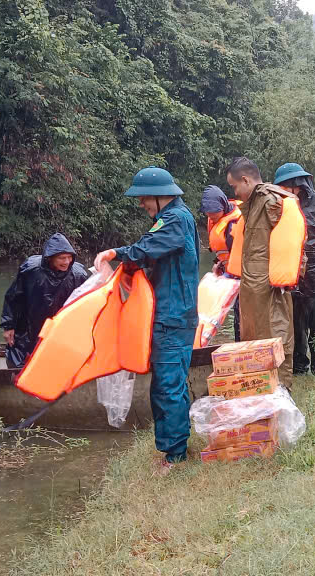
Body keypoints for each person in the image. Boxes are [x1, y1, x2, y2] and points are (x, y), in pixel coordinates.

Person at [95, 166, 199, 472]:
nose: (141, 204)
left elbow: (145, 249)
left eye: (143, 198)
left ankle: (176, 456)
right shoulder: (170, 219)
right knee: (167, 385)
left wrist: (114, 254)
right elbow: (149, 252)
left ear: (159, 195)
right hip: (170, 314)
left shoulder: (175, 219)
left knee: (168, 386)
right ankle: (173, 449)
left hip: (173, 316)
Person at [225, 157, 296, 382]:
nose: (235, 193)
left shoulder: (271, 201)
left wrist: (283, 279)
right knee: (254, 334)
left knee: (275, 332)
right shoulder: (254, 203)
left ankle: (280, 387)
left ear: (245, 180)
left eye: (234, 186)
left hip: (268, 284)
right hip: (253, 283)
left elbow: (291, 242)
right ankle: (259, 384)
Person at [273, 163, 315, 375]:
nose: (281, 191)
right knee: (295, 326)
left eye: (284, 187)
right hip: (293, 277)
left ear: (296, 184)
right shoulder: (281, 206)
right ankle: (297, 366)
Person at [0, 233, 89, 368]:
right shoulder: (31, 270)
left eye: (69, 257)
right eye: (62, 258)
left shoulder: (78, 274)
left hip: (61, 329)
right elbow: (14, 298)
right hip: (29, 327)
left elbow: (85, 306)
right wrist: (8, 326)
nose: (67, 262)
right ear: (50, 258)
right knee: (23, 363)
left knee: (60, 362)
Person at [201, 185, 242, 340]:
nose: (210, 215)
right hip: (228, 272)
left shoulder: (235, 224)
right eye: (207, 212)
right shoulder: (217, 219)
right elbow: (223, 250)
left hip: (241, 276)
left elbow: (240, 254)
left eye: (213, 211)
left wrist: (230, 273)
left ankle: (241, 344)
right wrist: (219, 263)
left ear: (223, 206)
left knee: (241, 317)